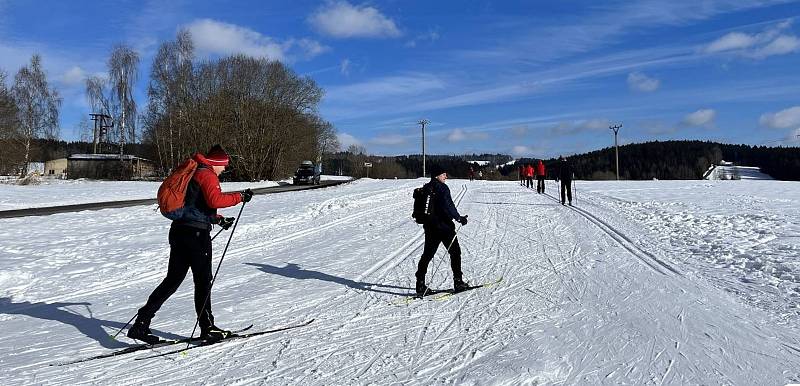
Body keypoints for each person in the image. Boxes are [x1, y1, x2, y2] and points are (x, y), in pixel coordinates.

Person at [128, 145, 254, 343]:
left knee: (172, 281)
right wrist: (240, 197)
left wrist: (218, 219)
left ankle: (141, 324)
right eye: (224, 166)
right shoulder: (208, 174)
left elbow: (194, 206)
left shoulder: (196, 172)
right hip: (196, 236)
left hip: (180, 231)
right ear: (217, 163)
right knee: (203, 281)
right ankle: (208, 328)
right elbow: (214, 200)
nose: (224, 170)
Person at [416, 164, 470, 295]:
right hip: (444, 228)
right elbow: (448, 206)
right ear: (437, 175)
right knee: (455, 253)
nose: (446, 176)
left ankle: (420, 285)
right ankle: (458, 282)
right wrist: (459, 218)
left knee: (427, 255)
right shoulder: (442, 188)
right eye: (443, 174)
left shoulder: (426, 188)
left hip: (430, 227)